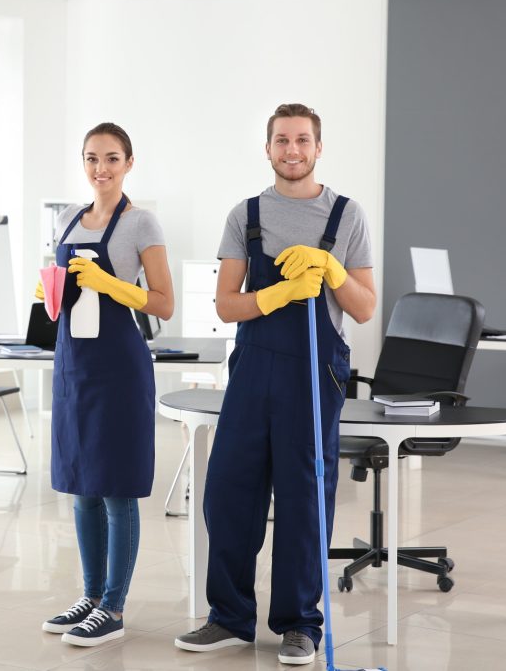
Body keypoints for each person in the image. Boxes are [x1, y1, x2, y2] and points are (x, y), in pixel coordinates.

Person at [175, 103, 376, 665]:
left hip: (315, 376)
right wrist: (276, 295)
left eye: (303, 141)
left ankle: (298, 624)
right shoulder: (246, 215)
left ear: (318, 148)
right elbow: (225, 305)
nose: (292, 150)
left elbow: (363, 308)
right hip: (253, 373)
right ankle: (229, 618)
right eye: (282, 141)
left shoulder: (346, 216)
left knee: (303, 500)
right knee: (229, 493)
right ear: (268, 149)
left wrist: (333, 271)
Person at [39, 123, 174, 647]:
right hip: (74, 367)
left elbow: (163, 302)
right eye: (92, 159)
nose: (101, 169)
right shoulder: (72, 219)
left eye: (112, 158)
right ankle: (90, 597)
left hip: (119, 368)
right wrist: (49, 289)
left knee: (116, 490)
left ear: (129, 163)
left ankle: (114, 608)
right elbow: (65, 300)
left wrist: (112, 284)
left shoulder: (142, 223)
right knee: (81, 488)